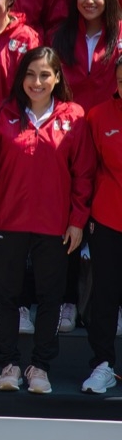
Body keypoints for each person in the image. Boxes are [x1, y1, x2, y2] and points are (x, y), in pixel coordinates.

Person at [0, 47, 95, 394]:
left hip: (55, 224)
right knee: (6, 295)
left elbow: (84, 174)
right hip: (8, 221)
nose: (37, 81)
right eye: (30, 74)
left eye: (45, 74)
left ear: (57, 77)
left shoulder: (74, 117)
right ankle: (9, 364)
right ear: (20, 78)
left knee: (51, 297)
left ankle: (41, 365)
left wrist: (76, 221)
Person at [82, 58, 122, 394]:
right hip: (108, 219)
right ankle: (103, 364)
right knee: (105, 296)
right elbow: (88, 171)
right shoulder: (98, 116)